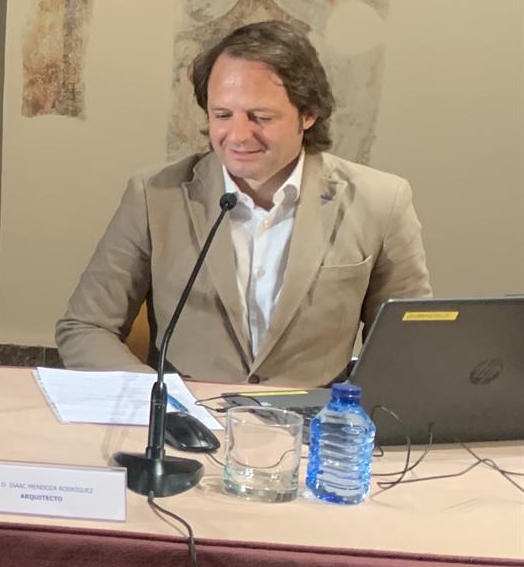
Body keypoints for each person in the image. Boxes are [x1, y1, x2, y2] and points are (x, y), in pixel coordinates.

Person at [57, 20, 429, 386]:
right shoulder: (154, 196)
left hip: (311, 432)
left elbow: (408, 346)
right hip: (187, 430)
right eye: (222, 115)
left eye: (260, 117)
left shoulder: (382, 202)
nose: (237, 135)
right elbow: (85, 327)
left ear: (308, 114)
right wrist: (160, 404)